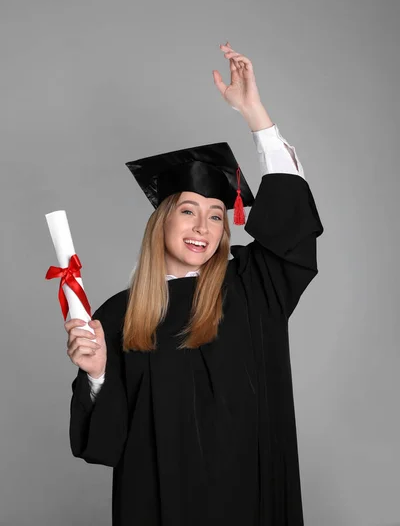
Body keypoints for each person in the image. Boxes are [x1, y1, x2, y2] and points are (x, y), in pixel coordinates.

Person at [65, 42, 324, 526]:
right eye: (188, 211)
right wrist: (97, 375)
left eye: (216, 216)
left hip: (249, 502)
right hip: (159, 507)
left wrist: (255, 114)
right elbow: (105, 445)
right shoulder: (118, 315)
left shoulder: (251, 285)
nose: (202, 228)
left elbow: (294, 229)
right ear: (161, 220)